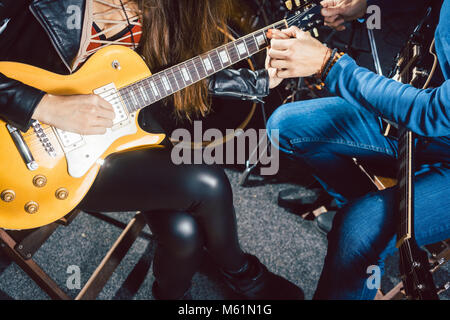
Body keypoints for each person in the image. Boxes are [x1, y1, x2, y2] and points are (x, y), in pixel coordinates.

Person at [0, 0, 304, 300]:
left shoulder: (165, 7)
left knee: (183, 231)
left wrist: (256, 81)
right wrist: (44, 105)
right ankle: (246, 277)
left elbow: (171, 74)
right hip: (37, 154)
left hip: (121, 140)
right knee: (209, 185)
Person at [265, 0, 449, 299]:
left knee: (357, 229)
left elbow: (434, 113)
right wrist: (366, 6)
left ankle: (360, 233)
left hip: (431, 118)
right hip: (420, 116)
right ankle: (361, 234)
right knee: (286, 126)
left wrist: (329, 65)